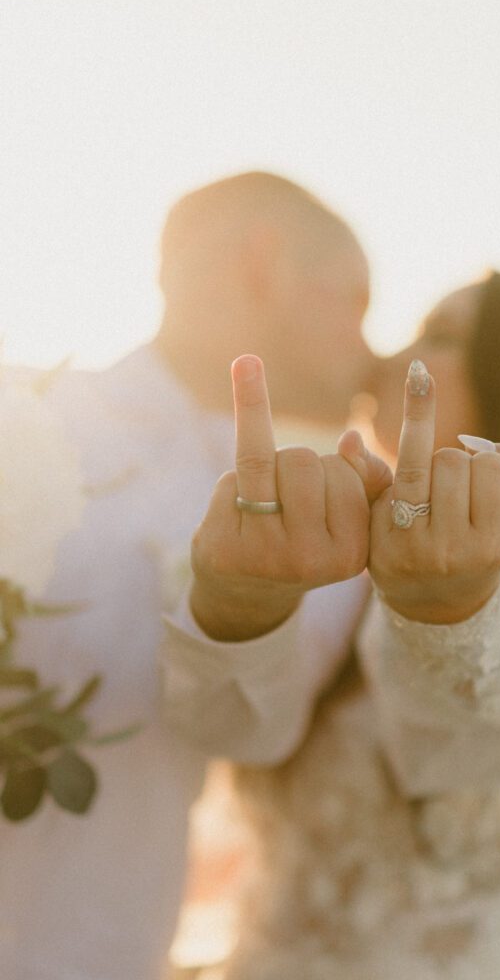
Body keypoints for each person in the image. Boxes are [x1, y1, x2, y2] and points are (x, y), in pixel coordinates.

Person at [162, 271, 500, 978]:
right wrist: (240, 602)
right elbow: (233, 734)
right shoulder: (341, 569)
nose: (387, 356)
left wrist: (447, 609)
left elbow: (477, 713)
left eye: (438, 335)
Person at [0, 171, 376, 980]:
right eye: (352, 301)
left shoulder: (324, 519)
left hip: (100, 948)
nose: (369, 349)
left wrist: (246, 604)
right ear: (260, 266)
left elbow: (252, 731)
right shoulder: (19, 415)